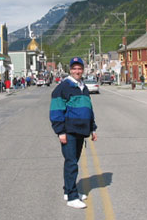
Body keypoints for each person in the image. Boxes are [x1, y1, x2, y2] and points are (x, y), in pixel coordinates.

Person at [50, 57, 97, 209]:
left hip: (81, 131)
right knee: (71, 163)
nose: (77, 71)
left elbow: (88, 108)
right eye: (74, 68)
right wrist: (60, 131)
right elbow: (56, 110)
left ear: (83, 69)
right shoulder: (63, 87)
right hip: (69, 131)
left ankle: (68, 190)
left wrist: (92, 128)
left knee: (73, 162)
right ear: (70, 69)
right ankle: (72, 196)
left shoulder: (83, 87)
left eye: (79, 68)